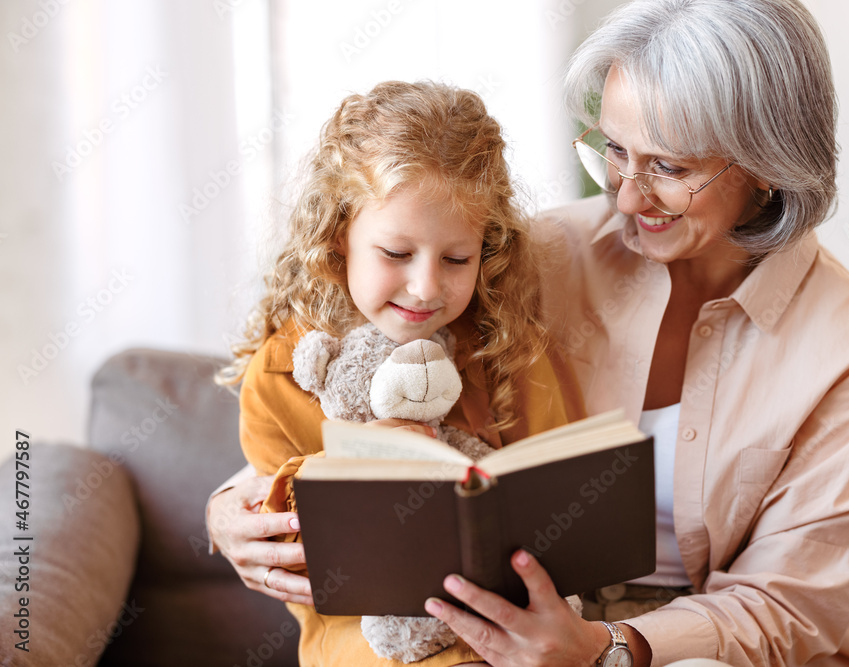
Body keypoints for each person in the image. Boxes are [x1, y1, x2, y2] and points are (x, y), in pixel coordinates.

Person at [209, 1, 849, 665]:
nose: (625, 195)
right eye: (614, 152)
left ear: (767, 167)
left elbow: (788, 606)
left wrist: (607, 649)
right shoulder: (538, 257)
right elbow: (363, 379)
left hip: (694, 645)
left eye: (668, 166)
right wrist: (233, 505)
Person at [215, 80, 585, 666]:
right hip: (365, 643)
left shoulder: (506, 350)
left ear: (485, 252)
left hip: (509, 631)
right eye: (395, 254)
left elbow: (563, 496)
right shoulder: (285, 369)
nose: (427, 286)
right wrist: (347, 472)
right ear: (339, 237)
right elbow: (280, 546)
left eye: (456, 259)